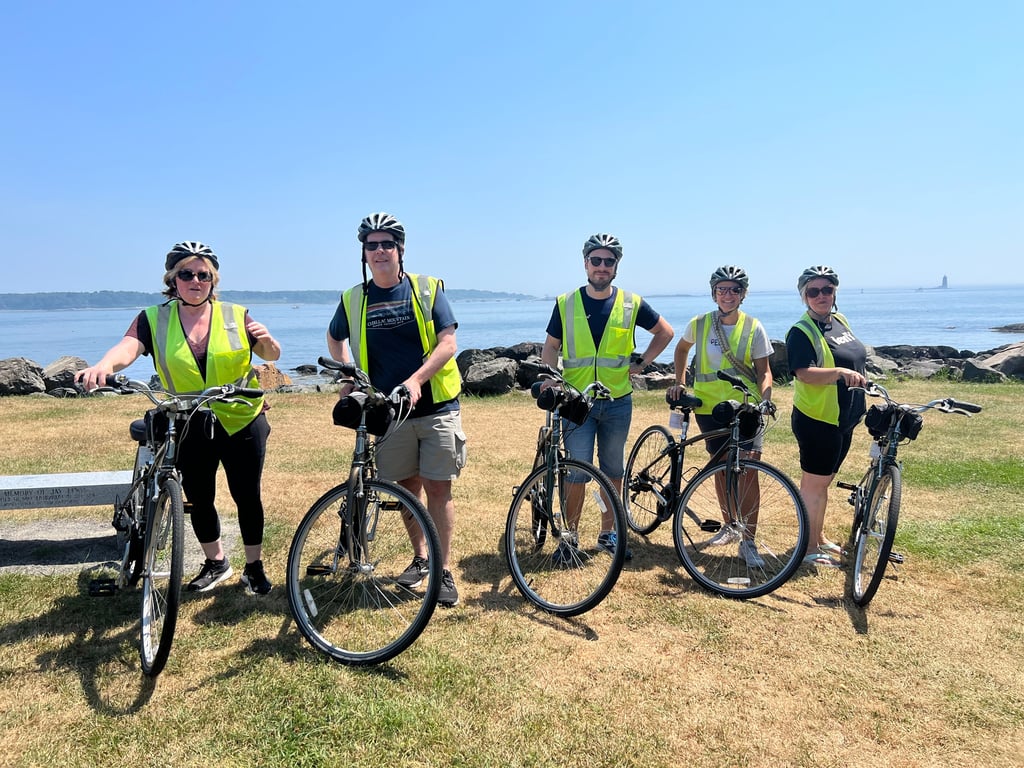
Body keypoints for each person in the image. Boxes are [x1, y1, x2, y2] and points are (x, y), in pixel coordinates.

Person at [76, 241, 281, 594]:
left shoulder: (235, 314)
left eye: (204, 275)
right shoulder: (154, 318)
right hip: (187, 420)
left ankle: (254, 566)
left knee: (247, 495)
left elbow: (271, 353)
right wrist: (104, 366)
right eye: (187, 274)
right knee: (199, 497)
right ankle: (216, 562)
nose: (196, 281)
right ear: (173, 279)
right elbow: (129, 347)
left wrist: (268, 343)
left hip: (242, 417)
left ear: (213, 280)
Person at [327, 212, 465, 607]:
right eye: (372, 245)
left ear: (400, 249)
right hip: (388, 411)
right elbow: (335, 337)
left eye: (387, 244)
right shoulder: (354, 298)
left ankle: (443, 569)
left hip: (435, 404)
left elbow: (448, 343)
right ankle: (422, 558)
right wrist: (346, 376)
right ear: (364, 253)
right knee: (406, 489)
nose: (380, 251)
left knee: (438, 487)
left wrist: (417, 379)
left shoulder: (425, 289)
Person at [541, 233, 674, 561]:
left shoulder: (631, 303)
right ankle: (569, 539)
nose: (602, 267)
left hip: (617, 401)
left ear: (616, 266)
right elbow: (550, 347)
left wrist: (641, 364)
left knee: (613, 470)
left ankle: (608, 534)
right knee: (575, 472)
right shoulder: (566, 302)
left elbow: (665, 332)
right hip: (576, 401)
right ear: (585, 263)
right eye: (596, 260)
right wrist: (550, 379)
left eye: (608, 262)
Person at [667, 265, 775, 568]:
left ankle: (748, 540)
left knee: (748, 470)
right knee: (719, 467)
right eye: (722, 289)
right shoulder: (699, 324)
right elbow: (681, 350)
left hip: (745, 407)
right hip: (709, 408)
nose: (728, 295)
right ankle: (729, 526)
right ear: (714, 292)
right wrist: (680, 381)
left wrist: (765, 397)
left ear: (743, 294)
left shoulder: (754, 327)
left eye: (734, 290)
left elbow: (763, 370)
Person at [785, 265, 868, 568]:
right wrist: (839, 373)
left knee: (823, 484)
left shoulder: (839, 321)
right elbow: (804, 373)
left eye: (827, 290)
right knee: (813, 485)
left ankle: (818, 538)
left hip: (844, 418)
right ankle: (806, 549)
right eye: (814, 291)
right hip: (818, 419)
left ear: (835, 293)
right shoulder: (801, 331)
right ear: (804, 296)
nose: (821, 296)